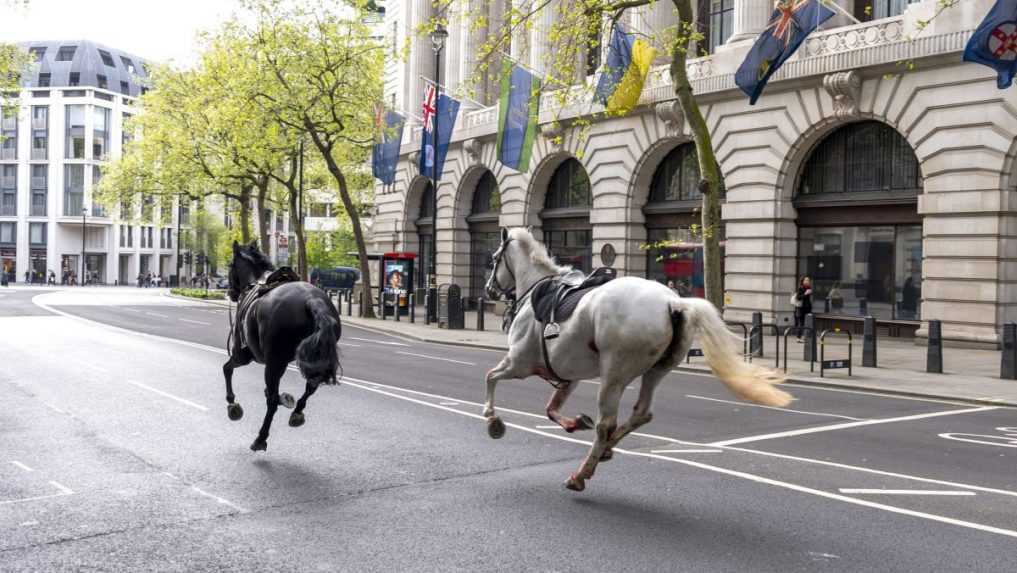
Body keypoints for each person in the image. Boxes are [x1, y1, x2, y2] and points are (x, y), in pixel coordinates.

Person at [793, 276, 813, 342]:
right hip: (801, 309)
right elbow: (798, 297)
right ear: (803, 281)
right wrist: (805, 293)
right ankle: (798, 338)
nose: (808, 281)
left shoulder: (809, 288)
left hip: (807, 309)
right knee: (801, 324)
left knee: (807, 323)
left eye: (808, 280)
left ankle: (805, 337)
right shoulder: (801, 288)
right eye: (806, 280)